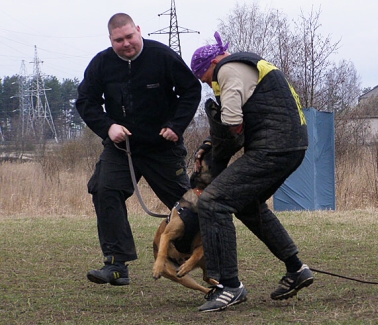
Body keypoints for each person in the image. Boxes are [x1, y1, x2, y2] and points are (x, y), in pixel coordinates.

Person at [190, 32, 314, 312]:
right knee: (246, 205)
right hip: (291, 145)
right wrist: (211, 142)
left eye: (205, 77)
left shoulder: (227, 70)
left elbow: (233, 125)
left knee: (212, 201)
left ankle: (228, 286)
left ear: (212, 64)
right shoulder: (248, 66)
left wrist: (214, 155)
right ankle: (296, 269)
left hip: (273, 148)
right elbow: (246, 118)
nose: (209, 84)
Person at [75, 13, 201, 286]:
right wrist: (108, 127)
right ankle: (116, 264)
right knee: (104, 189)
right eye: (119, 40)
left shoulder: (162, 56)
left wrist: (176, 126)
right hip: (121, 148)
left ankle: (212, 262)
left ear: (139, 31)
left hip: (162, 148)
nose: (126, 43)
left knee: (189, 207)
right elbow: (86, 101)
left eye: (130, 36)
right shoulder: (101, 64)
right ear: (111, 40)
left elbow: (191, 90)